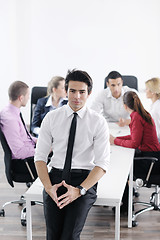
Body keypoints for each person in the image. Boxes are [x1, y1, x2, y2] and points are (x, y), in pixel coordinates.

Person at [34, 69, 110, 240]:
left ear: (89, 93)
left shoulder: (98, 122)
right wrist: (48, 187)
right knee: (53, 236)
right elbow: (40, 157)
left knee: (69, 236)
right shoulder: (51, 118)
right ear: (66, 92)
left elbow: (102, 164)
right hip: (55, 179)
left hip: (83, 181)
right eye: (72, 91)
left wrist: (80, 190)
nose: (77, 96)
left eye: (82, 92)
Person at [110, 91, 160, 212]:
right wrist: (116, 139)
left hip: (151, 162)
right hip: (153, 157)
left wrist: (115, 141)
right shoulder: (140, 114)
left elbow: (134, 143)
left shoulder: (137, 117)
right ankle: (129, 194)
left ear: (125, 106)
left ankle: (126, 205)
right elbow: (134, 137)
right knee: (123, 162)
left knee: (122, 169)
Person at [0, 81, 37, 177]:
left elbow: (25, 136)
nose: (29, 98)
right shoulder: (10, 119)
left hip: (30, 153)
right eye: (28, 95)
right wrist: (43, 151)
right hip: (24, 163)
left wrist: (39, 141)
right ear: (21, 98)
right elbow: (19, 152)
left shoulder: (13, 112)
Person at [145, 77, 160, 142]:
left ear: (153, 91)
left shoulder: (156, 109)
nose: (145, 91)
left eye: (147, 89)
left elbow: (156, 132)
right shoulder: (155, 104)